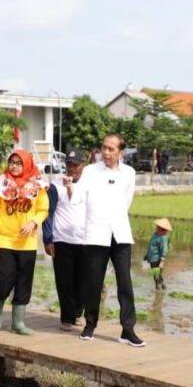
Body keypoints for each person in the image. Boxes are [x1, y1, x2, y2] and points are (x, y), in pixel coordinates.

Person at [70, 133, 145, 347]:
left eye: (111, 149)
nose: (106, 152)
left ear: (121, 152)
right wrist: (70, 186)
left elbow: (126, 201)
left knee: (125, 283)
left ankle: (128, 329)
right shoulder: (91, 172)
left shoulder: (129, 173)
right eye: (104, 148)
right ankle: (89, 325)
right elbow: (77, 198)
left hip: (120, 233)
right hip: (96, 234)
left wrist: (115, 218)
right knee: (93, 282)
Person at [0, 150, 49, 335]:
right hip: (4, 241)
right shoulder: (0, 185)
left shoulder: (37, 185)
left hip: (27, 244)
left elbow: (43, 209)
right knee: (5, 279)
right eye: (12, 162)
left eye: (18, 163)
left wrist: (34, 221)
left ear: (27, 164)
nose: (14, 166)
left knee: (24, 281)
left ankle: (18, 322)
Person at [42, 147, 87, 331]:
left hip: (85, 240)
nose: (72, 168)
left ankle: (77, 312)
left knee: (84, 281)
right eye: (69, 164)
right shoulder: (55, 186)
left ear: (83, 165)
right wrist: (47, 239)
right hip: (62, 240)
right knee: (64, 280)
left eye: (76, 165)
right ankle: (67, 317)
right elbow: (48, 212)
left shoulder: (89, 185)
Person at [145, 218, 172, 291]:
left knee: (155, 275)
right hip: (152, 258)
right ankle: (163, 287)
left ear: (162, 229)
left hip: (157, 259)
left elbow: (164, 249)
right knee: (157, 274)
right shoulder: (155, 234)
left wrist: (162, 261)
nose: (156, 227)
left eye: (158, 227)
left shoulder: (163, 238)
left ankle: (158, 290)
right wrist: (147, 256)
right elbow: (151, 246)